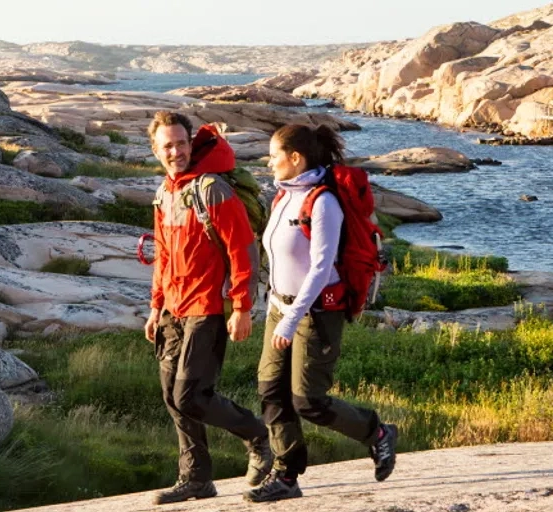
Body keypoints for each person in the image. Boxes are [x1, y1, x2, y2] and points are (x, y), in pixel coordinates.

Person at [244, 124, 398, 503]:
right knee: (270, 390)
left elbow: (320, 267)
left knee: (307, 399)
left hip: (315, 312)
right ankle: (286, 475)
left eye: (274, 155)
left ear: (295, 159)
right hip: (280, 307)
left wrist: (293, 316)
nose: (269, 162)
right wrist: (271, 305)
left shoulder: (323, 201)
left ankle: (376, 432)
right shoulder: (283, 198)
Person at [144, 111, 272, 505]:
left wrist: (242, 307)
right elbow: (163, 255)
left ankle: (257, 434)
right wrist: (155, 307)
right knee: (171, 394)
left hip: (209, 306)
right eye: (167, 145)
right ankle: (196, 478)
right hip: (173, 310)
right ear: (156, 149)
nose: (176, 151)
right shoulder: (165, 192)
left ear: (191, 143)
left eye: (181, 143)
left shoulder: (212, 189)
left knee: (191, 395)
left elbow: (242, 250)